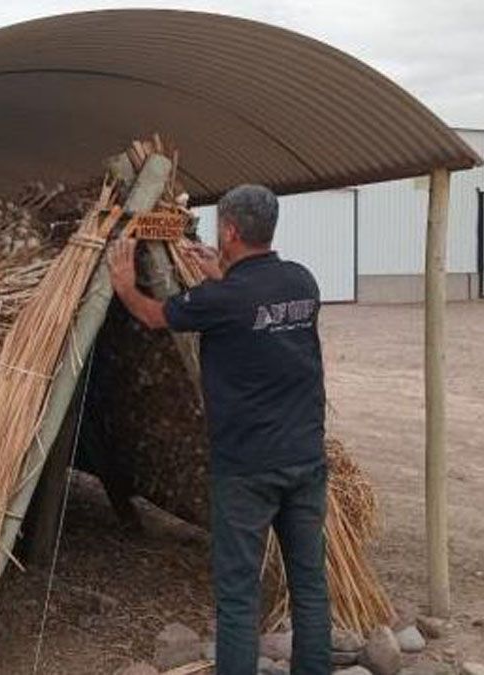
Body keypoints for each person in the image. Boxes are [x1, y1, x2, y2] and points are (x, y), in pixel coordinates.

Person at [106, 184, 330, 675]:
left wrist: (124, 284)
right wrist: (223, 275)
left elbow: (154, 315)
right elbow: (258, 309)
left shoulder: (219, 299)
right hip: (306, 461)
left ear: (229, 231)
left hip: (247, 470)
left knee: (238, 594)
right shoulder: (303, 282)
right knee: (310, 585)